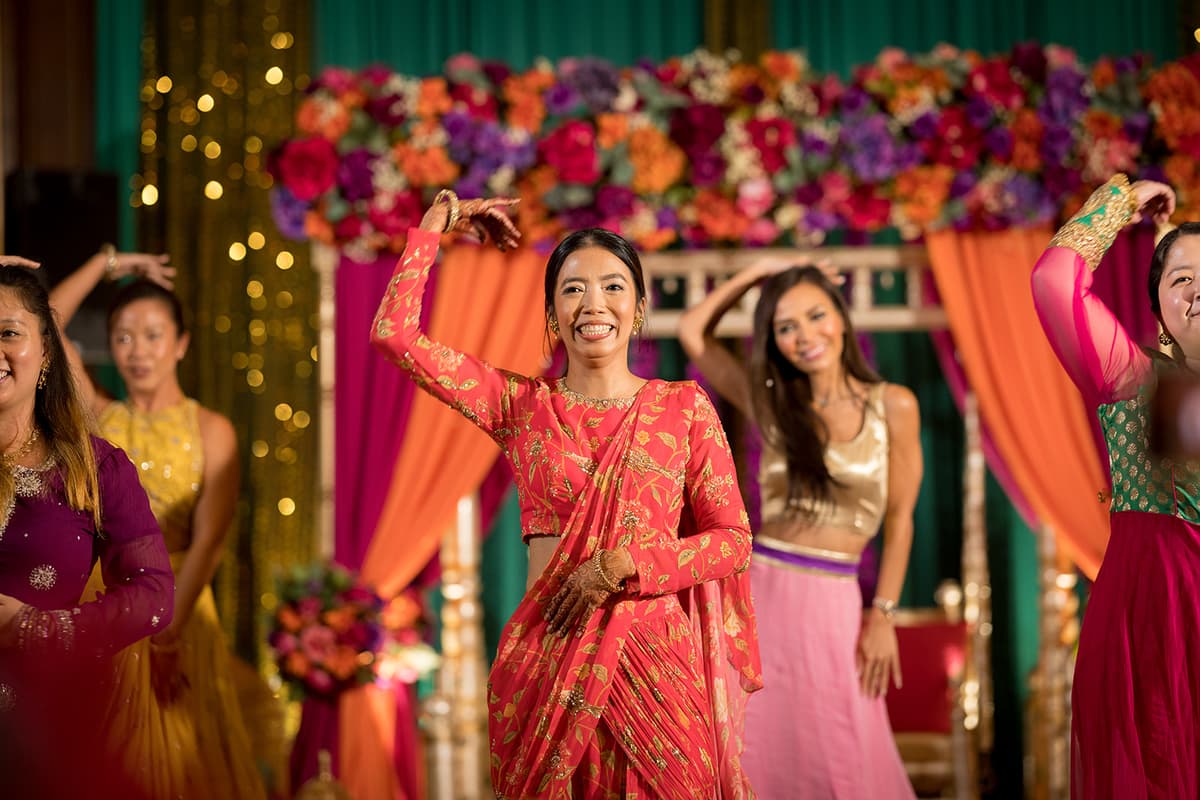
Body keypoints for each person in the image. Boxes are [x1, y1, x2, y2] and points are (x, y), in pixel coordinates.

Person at [370, 192, 762, 798]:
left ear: (637, 308)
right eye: (573, 290)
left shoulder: (682, 407)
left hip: (656, 667)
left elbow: (732, 542)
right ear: (553, 314)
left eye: (612, 286)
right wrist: (430, 229)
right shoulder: (523, 407)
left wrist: (626, 564)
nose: (593, 303)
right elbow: (395, 336)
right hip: (550, 659)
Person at [678, 257, 922, 798]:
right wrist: (760, 270)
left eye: (815, 316)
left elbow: (901, 519)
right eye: (785, 327)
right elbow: (694, 330)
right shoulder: (771, 403)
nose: (804, 336)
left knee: (843, 746)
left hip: (836, 599)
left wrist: (882, 612)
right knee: (753, 743)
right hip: (759, 593)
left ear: (841, 314)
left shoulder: (894, 406)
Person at [49, 248, 277, 799]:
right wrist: (110, 263)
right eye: (123, 337)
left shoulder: (212, 430)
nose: (137, 351)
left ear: (180, 344)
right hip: (108, 604)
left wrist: (168, 629)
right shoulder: (102, 418)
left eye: (153, 335)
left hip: (181, 607)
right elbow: (49, 316)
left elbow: (210, 541)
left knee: (183, 758)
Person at [1031, 175, 1197, 799]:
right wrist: (1120, 205)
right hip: (1148, 636)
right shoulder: (1131, 382)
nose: (1199, 287)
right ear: (1158, 312)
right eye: (1180, 278)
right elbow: (1054, 282)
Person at [0, 261, 174, 798]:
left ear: (47, 351)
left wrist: (33, 628)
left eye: (8, 332)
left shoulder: (94, 470)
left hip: (43, 738)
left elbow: (154, 594)